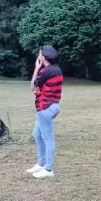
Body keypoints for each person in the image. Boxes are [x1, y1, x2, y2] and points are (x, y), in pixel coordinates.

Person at [26, 45, 63, 179]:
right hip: (53, 106)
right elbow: (39, 89)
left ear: (43, 57)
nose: (38, 55)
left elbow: (33, 88)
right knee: (37, 134)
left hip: (45, 108)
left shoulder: (45, 71)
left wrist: (36, 68)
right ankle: (41, 164)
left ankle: (48, 169)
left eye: (39, 54)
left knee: (48, 138)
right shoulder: (56, 69)